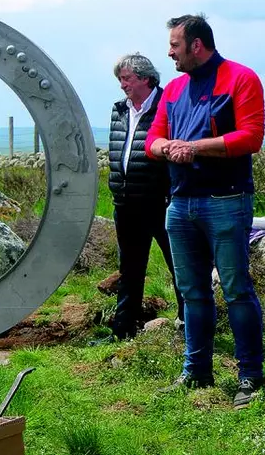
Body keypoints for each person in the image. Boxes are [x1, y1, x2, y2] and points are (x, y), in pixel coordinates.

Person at [146, 14, 265, 409]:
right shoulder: (174, 89)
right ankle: (196, 372)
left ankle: (250, 376)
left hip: (226, 202)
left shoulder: (241, 79)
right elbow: (153, 139)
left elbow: (251, 137)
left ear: (197, 45)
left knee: (236, 291)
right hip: (179, 205)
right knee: (191, 293)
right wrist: (169, 148)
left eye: (175, 45)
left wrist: (194, 147)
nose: (169, 52)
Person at [97, 53, 184, 344]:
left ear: (145, 78)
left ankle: (187, 325)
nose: (122, 85)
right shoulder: (119, 110)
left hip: (161, 203)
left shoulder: (168, 106)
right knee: (130, 268)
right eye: (120, 79)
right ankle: (124, 330)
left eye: (127, 79)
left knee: (179, 266)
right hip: (125, 202)